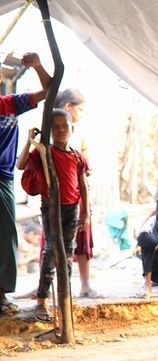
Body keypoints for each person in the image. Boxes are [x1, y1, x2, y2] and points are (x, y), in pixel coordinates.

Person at [17, 109, 89, 323]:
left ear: (72, 128)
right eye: (55, 127)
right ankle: (42, 299)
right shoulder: (43, 152)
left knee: (67, 252)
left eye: (64, 126)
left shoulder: (77, 156)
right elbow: (20, 165)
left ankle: (64, 299)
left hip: (72, 207)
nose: (60, 130)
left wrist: (86, 212)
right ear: (49, 130)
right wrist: (30, 142)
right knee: (50, 251)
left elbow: (83, 185)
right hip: (51, 206)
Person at [0, 52, 51, 316]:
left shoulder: (11, 104)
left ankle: (1, 295)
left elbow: (50, 89)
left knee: (6, 236)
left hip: (3, 179)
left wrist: (38, 66)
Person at [53, 88, 102, 298]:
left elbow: (86, 168)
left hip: (77, 194)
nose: (82, 115)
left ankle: (84, 284)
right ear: (68, 107)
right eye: (80, 110)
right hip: (56, 196)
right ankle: (47, 289)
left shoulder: (78, 134)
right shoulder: (51, 131)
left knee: (81, 237)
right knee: (53, 240)